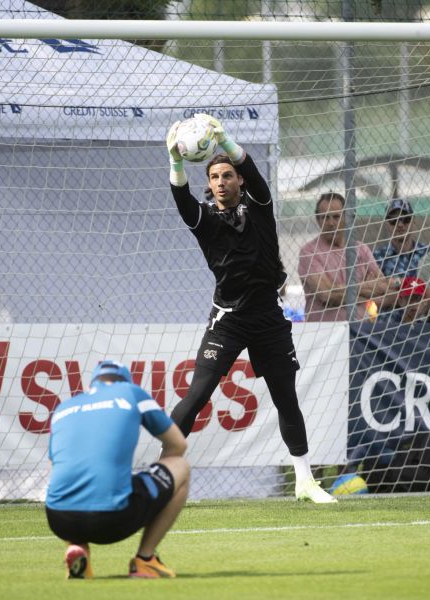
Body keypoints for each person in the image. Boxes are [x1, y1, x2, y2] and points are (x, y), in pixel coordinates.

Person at [165, 114, 336, 503]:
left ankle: (305, 481)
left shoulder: (259, 205)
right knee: (197, 395)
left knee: (285, 397)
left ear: (238, 180)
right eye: (215, 178)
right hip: (228, 319)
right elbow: (180, 198)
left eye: (227, 175)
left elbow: (253, 171)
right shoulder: (204, 220)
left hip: (268, 319)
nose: (222, 182)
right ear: (208, 185)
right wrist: (175, 160)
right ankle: (161, 474)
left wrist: (223, 141)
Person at [45, 361, 190, 579]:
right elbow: (178, 445)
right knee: (181, 467)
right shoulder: (131, 393)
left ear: (93, 382)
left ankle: (78, 549)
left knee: (73, 482)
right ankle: (146, 560)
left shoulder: (64, 407)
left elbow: (55, 465)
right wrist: (159, 479)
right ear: (126, 380)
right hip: (112, 519)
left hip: (59, 519)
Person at [298, 191, 399, 322]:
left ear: (345, 218)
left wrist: (339, 288)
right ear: (318, 220)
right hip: (325, 332)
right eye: (325, 217)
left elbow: (382, 288)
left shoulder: (361, 249)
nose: (331, 223)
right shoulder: (309, 252)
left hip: (359, 331)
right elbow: (327, 296)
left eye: (336, 217)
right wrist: (366, 287)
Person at [372, 198, 430, 322]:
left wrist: (394, 289)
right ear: (387, 224)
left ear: (413, 221)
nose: (400, 224)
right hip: (385, 331)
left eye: (405, 219)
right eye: (394, 220)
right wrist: (408, 292)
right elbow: (369, 299)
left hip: (424, 329)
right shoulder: (376, 258)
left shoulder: (428, 253)